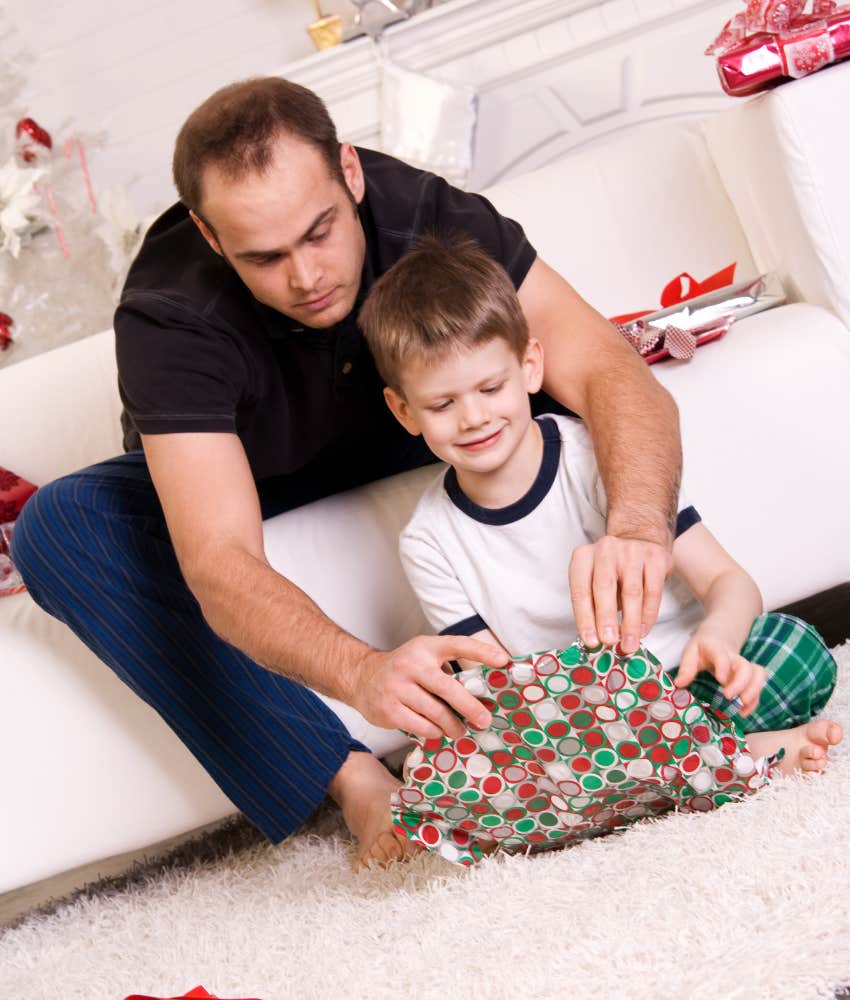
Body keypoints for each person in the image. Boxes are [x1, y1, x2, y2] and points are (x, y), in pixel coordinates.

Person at [14, 76, 684, 872]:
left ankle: (631, 687)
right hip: (254, 472)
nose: (307, 277)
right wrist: (359, 671)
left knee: (560, 399)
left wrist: (640, 524)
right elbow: (218, 560)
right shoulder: (169, 313)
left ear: (351, 172)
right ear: (208, 234)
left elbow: (603, 363)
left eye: (321, 231)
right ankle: (359, 785)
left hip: (419, 426)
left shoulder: (425, 214)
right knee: (56, 528)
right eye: (266, 256)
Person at [358, 234, 842, 862]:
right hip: (577, 730)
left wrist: (719, 639)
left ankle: (673, 775)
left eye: (490, 388)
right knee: (441, 763)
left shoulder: (594, 456)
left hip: (687, 683)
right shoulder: (429, 539)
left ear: (531, 366)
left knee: (795, 650)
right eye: (443, 404)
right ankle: (738, 760)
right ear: (404, 411)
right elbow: (497, 691)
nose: (474, 417)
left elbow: (730, 583)